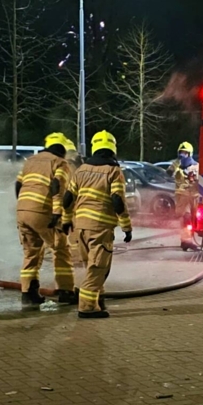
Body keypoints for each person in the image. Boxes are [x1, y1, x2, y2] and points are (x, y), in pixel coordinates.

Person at [62, 130, 133, 319]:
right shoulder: (113, 171)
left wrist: (66, 220)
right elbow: (117, 200)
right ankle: (86, 307)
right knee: (98, 268)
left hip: (81, 227)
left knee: (91, 266)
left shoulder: (81, 170)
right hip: (100, 228)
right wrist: (126, 226)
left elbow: (67, 198)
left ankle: (97, 300)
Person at [16, 132, 77, 309]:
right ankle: (65, 291)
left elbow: (18, 185)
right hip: (43, 210)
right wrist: (58, 213)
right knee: (61, 249)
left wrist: (22, 206)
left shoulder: (30, 161)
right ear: (62, 150)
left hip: (22, 211)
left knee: (31, 252)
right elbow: (57, 187)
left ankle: (28, 293)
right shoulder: (60, 163)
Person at [171, 141, 201, 251]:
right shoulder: (176, 166)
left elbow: (201, 182)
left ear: (190, 154)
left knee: (194, 220)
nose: (183, 155)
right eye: (181, 153)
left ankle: (187, 240)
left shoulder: (197, 166)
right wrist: (177, 163)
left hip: (194, 196)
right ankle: (186, 241)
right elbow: (169, 173)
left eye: (185, 153)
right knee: (185, 218)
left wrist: (193, 177)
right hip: (182, 196)